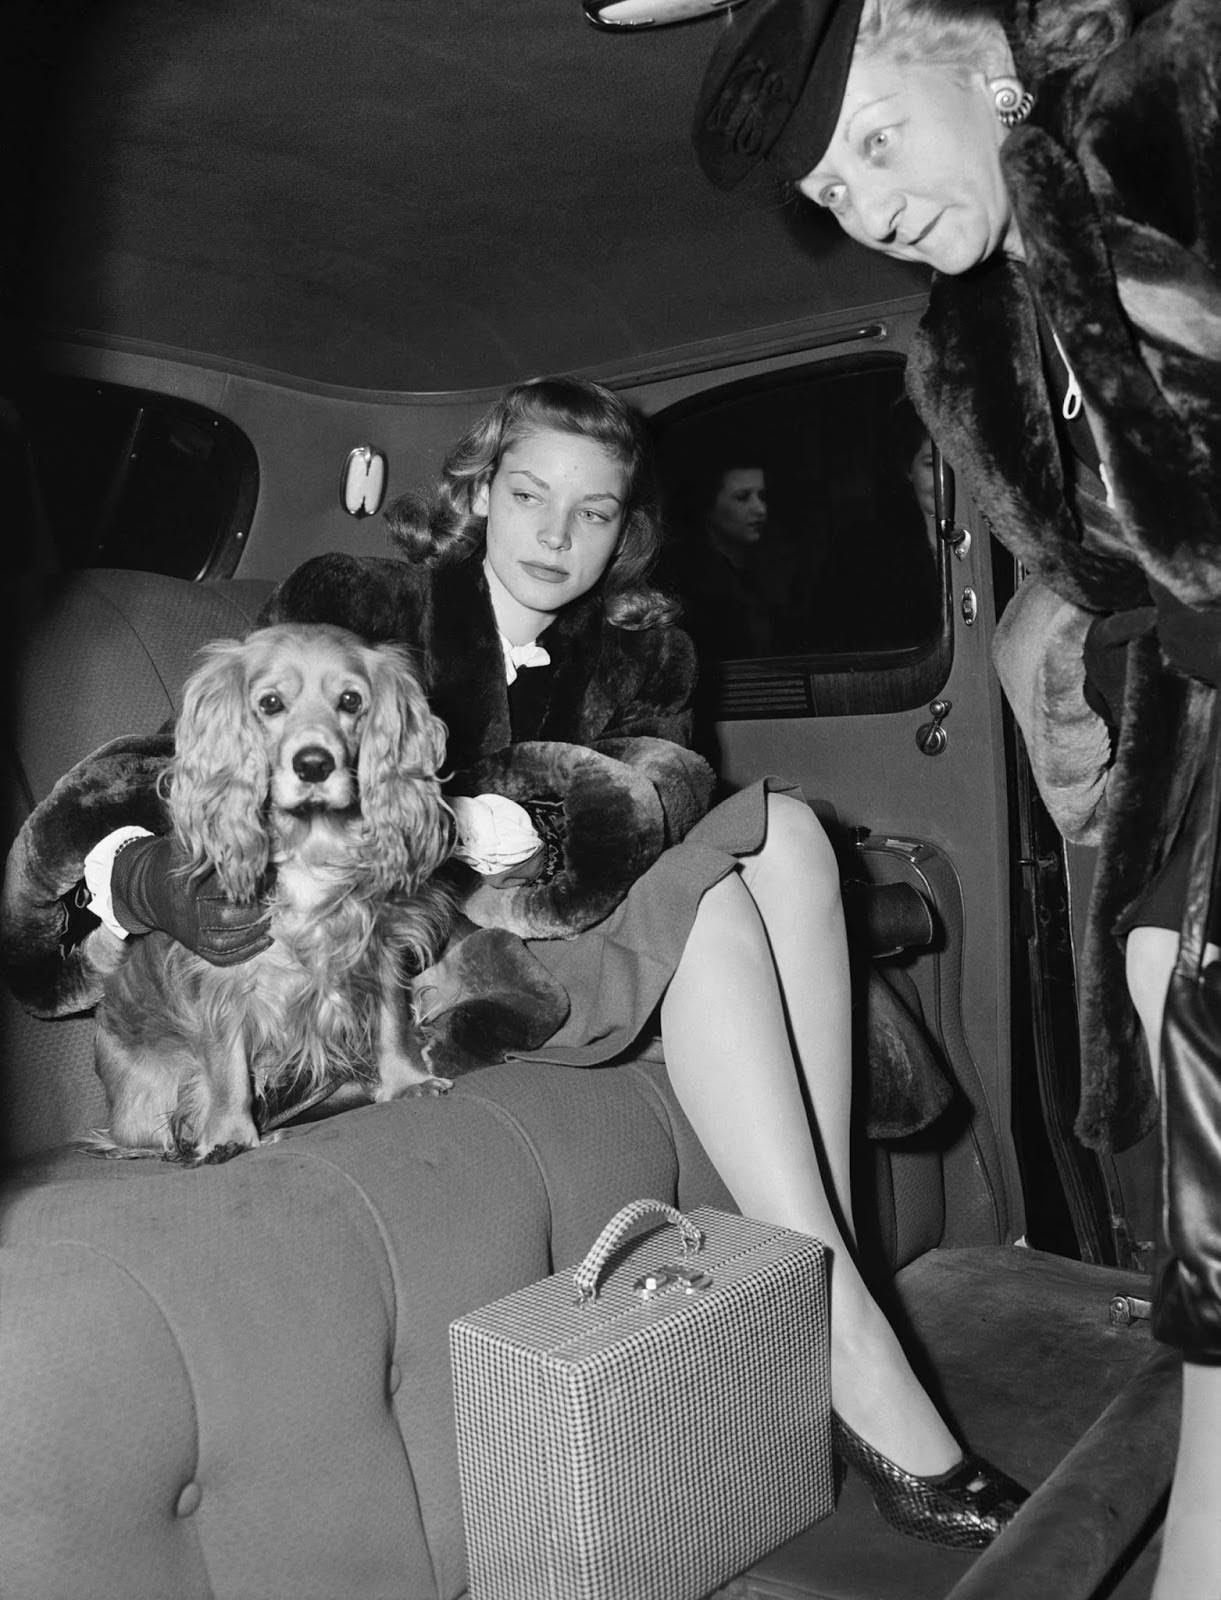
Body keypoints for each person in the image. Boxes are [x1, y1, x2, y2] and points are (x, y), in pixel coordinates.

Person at [1, 375, 1026, 1548]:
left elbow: (666, 792)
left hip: (571, 915)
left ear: (626, 527)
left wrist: (526, 815)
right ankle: (844, 1315)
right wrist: (132, 877)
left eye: (593, 511)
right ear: (478, 492)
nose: (555, 533)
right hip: (438, 953)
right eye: (528, 493)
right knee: (739, 892)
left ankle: (823, 1264)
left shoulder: (645, 647)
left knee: (788, 836)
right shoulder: (364, 603)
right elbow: (180, 757)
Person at [692, 0, 1221, 1592]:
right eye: (833, 197)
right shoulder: (981, 345)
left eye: (872, 138)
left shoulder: (1159, 128)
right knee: (1158, 991)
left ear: (984, 54)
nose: (865, 205)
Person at [670, 457, 813, 657]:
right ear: (708, 505)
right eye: (742, 497)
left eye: (762, 496)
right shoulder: (696, 580)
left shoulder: (761, 569)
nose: (760, 509)